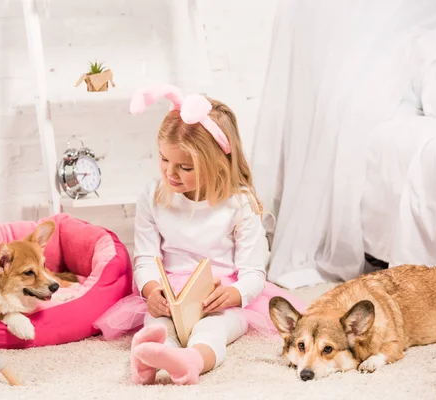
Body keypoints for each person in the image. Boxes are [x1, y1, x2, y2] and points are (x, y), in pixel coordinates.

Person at [93, 83, 306, 385]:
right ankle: (151, 357)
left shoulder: (239, 203)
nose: (170, 173)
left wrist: (234, 294)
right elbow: (146, 258)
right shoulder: (153, 196)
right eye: (164, 159)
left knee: (213, 329)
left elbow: (253, 272)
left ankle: (191, 361)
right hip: (170, 292)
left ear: (216, 162)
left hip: (222, 296)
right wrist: (152, 291)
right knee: (157, 323)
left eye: (185, 167)